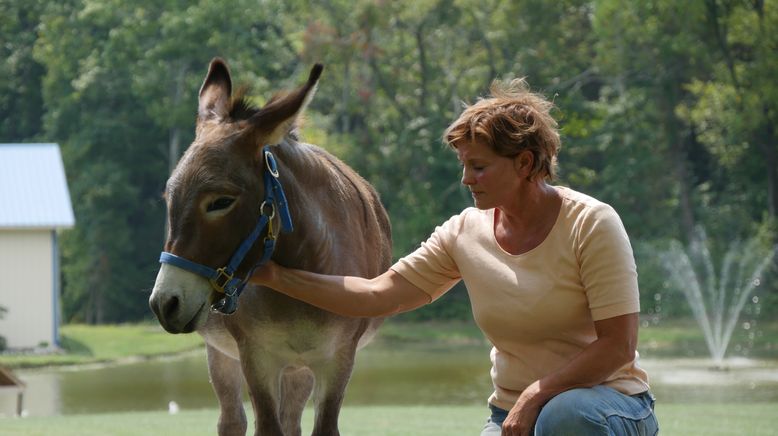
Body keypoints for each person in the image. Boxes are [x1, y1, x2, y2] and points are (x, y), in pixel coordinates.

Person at [250, 78, 658, 436]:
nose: (466, 179)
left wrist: (538, 393)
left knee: (565, 416)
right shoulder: (464, 231)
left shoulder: (592, 223)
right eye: (464, 165)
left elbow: (618, 347)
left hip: (606, 406)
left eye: (479, 166)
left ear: (525, 163)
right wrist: (276, 277)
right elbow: (377, 295)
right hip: (511, 416)